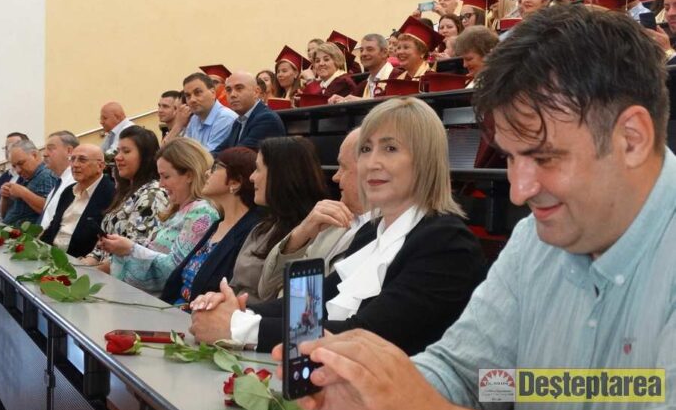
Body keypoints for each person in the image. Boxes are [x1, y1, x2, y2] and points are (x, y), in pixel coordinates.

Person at [282, 6, 676, 410]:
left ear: (631, 139)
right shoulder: (533, 240)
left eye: (544, 158)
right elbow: (474, 378)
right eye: (510, 157)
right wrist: (373, 391)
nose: (519, 192)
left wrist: (428, 408)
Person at [190, 97, 485, 355]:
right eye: (366, 149)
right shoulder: (371, 231)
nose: (372, 163)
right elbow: (307, 306)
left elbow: (365, 335)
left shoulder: (447, 244)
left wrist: (239, 327)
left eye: (390, 148)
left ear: (425, 160)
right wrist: (235, 308)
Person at [210, 137, 329, 304]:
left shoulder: (317, 233)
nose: (252, 177)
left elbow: (298, 306)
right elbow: (233, 286)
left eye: (258, 169)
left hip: (258, 318)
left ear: (281, 175)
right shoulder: (263, 228)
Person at [256, 128, 368, 300]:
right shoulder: (330, 223)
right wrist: (299, 236)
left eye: (343, 167)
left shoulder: (387, 233)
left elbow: (305, 307)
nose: (335, 177)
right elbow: (267, 290)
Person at [99, 137, 218, 293]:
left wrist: (130, 249)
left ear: (189, 175)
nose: (161, 184)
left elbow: (175, 269)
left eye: (166, 176)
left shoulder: (202, 212)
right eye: (160, 176)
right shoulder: (176, 211)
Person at [160, 147, 262, 305]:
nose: (207, 173)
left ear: (235, 182)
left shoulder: (250, 232)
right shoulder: (217, 225)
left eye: (215, 168)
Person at [81, 126, 169, 267]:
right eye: (118, 151)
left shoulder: (153, 194)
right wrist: (82, 265)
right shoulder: (125, 192)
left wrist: (88, 273)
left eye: (126, 151)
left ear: (145, 157)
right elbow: (100, 250)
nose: (117, 157)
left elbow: (133, 254)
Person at [40, 145, 115, 257]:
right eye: (72, 159)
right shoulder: (68, 191)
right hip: (50, 255)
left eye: (82, 160)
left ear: (100, 166)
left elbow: (107, 240)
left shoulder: (111, 194)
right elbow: (53, 227)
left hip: (81, 261)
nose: (75, 165)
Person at [214, 72, 286, 153]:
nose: (232, 95)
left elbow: (240, 155)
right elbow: (220, 150)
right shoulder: (239, 121)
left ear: (256, 92)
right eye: (228, 90)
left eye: (239, 88)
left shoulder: (266, 119)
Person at [328, 34, 403, 103]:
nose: (363, 54)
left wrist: (362, 101)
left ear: (384, 53)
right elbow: (351, 100)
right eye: (361, 50)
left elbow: (398, 103)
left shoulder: (399, 78)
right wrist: (342, 100)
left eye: (369, 49)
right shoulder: (363, 86)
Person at [0, 140, 58, 226]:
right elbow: (4, 215)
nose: (18, 170)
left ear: (34, 155)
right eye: (14, 166)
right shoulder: (29, 177)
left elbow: (48, 210)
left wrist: (22, 192)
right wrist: (4, 197)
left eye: (21, 163)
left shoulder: (46, 175)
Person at [176, 73, 238, 153]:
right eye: (188, 96)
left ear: (213, 93)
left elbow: (208, 156)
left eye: (198, 93)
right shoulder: (194, 119)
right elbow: (184, 151)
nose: (192, 100)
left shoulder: (226, 118)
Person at [39, 131, 79, 229]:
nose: (45, 154)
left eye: (50, 149)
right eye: (45, 149)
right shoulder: (60, 181)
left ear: (69, 151)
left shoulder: (75, 182)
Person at [396, 17, 443, 81]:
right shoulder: (398, 80)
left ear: (422, 52)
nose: (400, 52)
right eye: (398, 48)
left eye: (406, 47)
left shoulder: (433, 80)